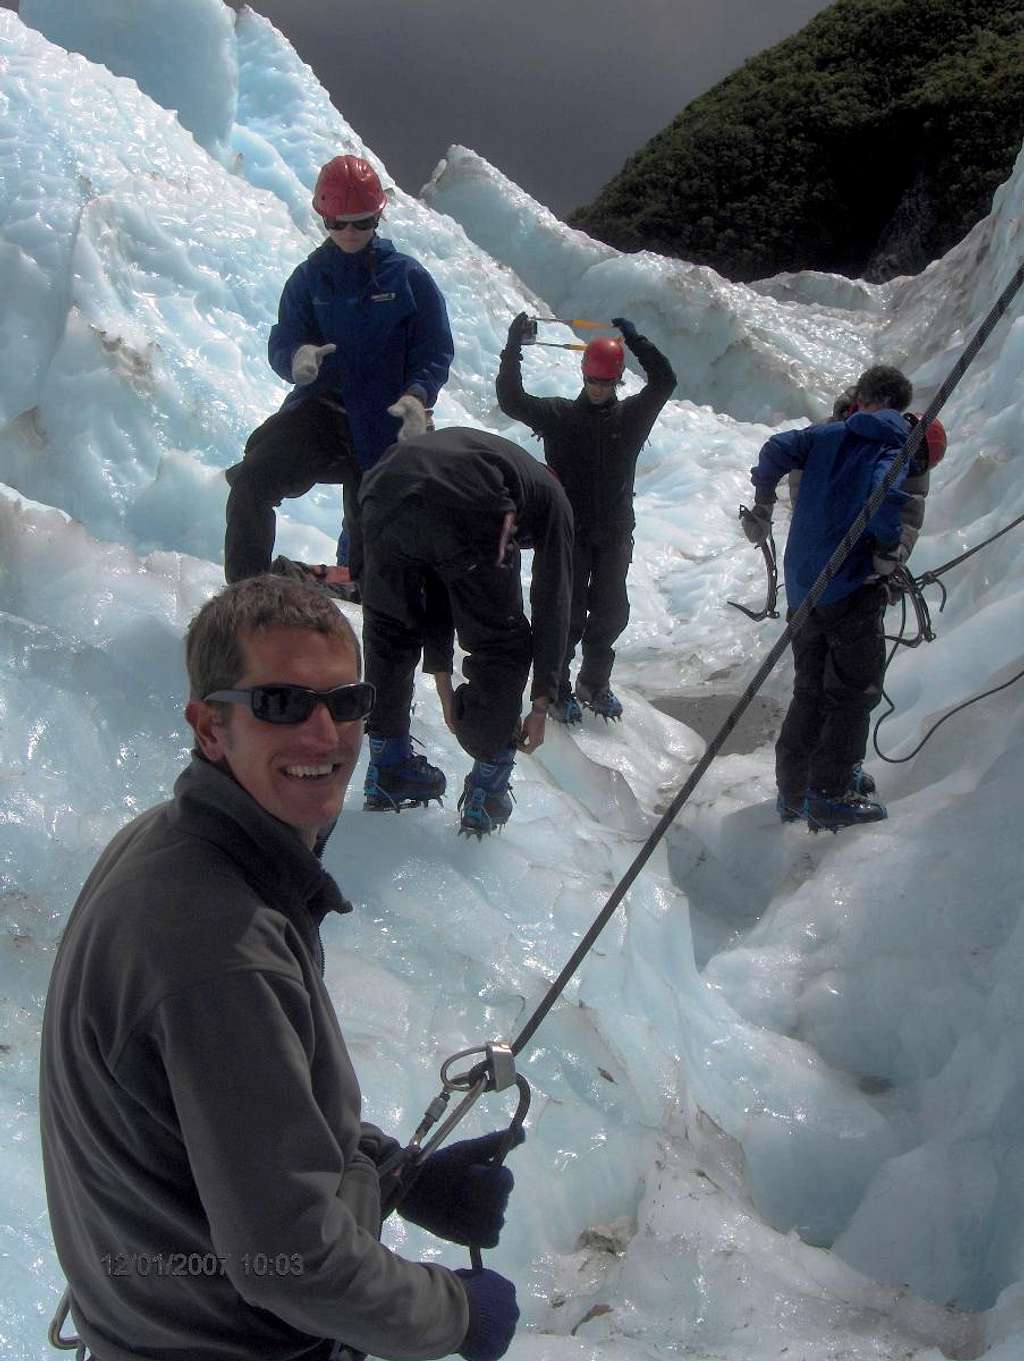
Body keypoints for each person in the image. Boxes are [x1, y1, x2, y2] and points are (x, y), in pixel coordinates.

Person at [39, 575, 520, 1361]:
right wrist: (453, 1313)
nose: (323, 733)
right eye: (280, 704)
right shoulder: (219, 943)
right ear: (210, 727)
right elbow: (292, 1262)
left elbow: (233, 1117)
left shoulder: (179, 844)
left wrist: (397, 1172)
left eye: (346, 700)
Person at [224, 155, 454, 586]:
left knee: (378, 541)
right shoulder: (310, 279)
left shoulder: (407, 278)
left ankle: (363, 585)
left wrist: (418, 396)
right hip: (323, 414)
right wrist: (295, 358)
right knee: (252, 482)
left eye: (361, 223)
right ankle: (243, 597)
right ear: (324, 218)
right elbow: (284, 337)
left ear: (377, 218)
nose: (349, 232)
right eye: (338, 223)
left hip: (388, 420)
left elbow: (434, 348)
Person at [354, 427, 573, 836]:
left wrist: (442, 679)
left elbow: (439, 573)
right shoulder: (554, 501)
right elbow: (553, 601)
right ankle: (486, 794)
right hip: (470, 497)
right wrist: (543, 700)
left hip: (382, 485)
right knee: (501, 644)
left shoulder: (502, 462)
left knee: (389, 628)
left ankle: (389, 768)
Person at [744, 364, 914, 831]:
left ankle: (794, 793)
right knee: (852, 694)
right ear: (899, 405)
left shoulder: (826, 434)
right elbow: (884, 492)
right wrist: (886, 548)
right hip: (847, 586)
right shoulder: (892, 441)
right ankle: (830, 792)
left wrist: (763, 498)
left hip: (804, 587)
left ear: (862, 396)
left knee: (810, 690)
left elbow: (777, 449)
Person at [496, 312, 676, 722]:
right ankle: (557, 688)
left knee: (611, 612)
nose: (598, 389)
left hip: (613, 532)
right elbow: (511, 399)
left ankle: (594, 682)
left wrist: (636, 341)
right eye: (593, 381)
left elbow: (665, 381)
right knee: (567, 614)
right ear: (583, 376)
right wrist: (512, 349)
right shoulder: (559, 415)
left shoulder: (631, 417)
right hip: (566, 532)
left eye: (606, 382)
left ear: (617, 381)